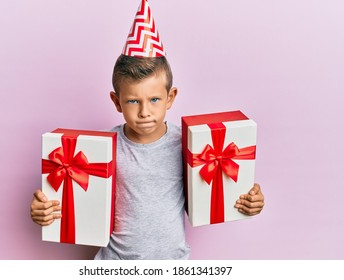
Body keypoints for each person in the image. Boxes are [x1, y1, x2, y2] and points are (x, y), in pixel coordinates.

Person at [30, 0, 265, 260]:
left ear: (170, 97)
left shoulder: (190, 144)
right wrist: (44, 210)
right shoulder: (98, 150)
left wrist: (247, 202)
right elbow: (73, 202)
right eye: (133, 101)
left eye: (154, 99)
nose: (144, 112)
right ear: (116, 101)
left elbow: (209, 196)